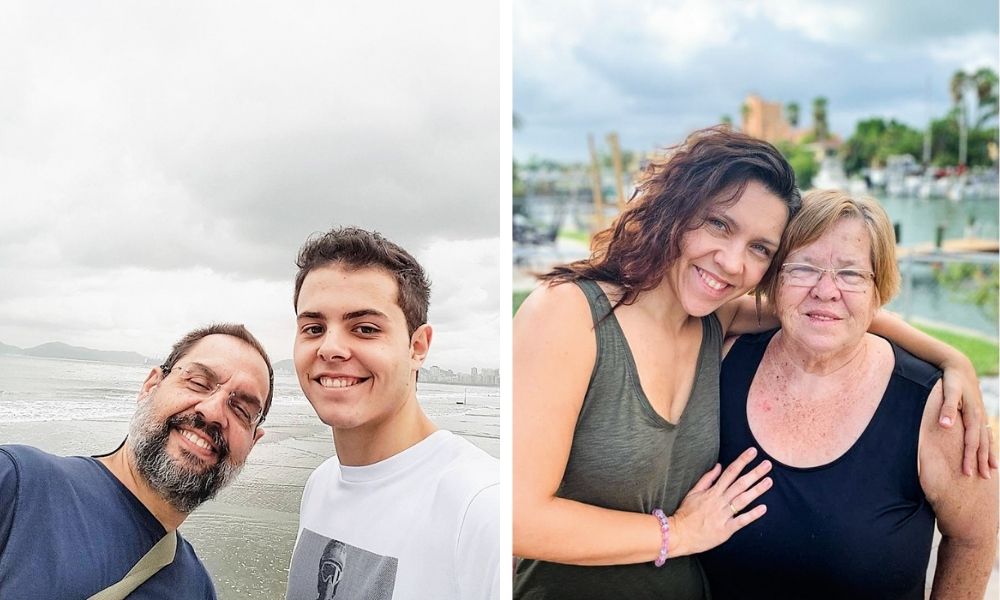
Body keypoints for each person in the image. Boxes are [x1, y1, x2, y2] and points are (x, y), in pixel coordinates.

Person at [512, 127, 995, 600]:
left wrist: (952, 359)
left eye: (760, 248)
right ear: (675, 208)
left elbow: (828, 308)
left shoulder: (711, 319)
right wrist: (677, 534)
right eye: (719, 224)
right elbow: (518, 517)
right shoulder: (570, 314)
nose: (731, 262)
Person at [701, 190, 998, 599]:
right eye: (803, 268)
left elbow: (974, 538)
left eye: (851, 274)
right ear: (775, 279)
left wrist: (954, 360)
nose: (826, 290)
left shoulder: (936, 407)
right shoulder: (721, 362)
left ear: (879, 290)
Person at [284, 227, 501, 600]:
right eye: (314, 328)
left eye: (365, 329)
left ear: (418, 347)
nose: (331, 348)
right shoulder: (320, 485)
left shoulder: (481, 506)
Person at [0, 323, 275, 599]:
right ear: (151, 386)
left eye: (241, 409)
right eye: (198, 383)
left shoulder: (197, 589)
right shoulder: (16, 483)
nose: (213, 411)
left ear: (251, 444)